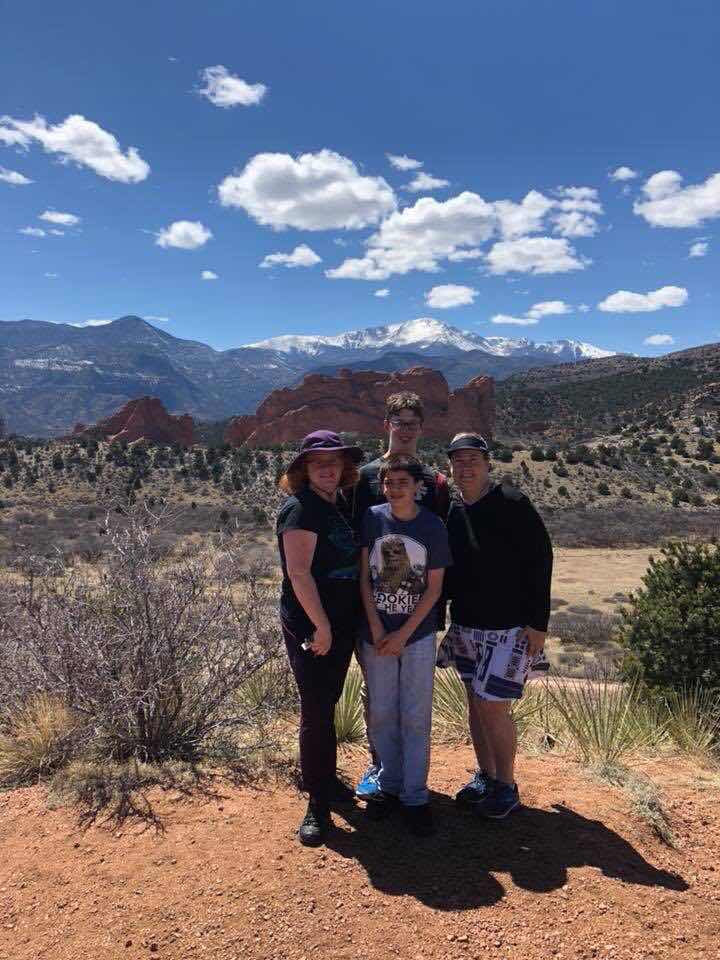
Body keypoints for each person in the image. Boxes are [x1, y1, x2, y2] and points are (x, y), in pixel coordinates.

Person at [441, 433, 552, 819]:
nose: (465, 467)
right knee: (475, 703)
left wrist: (538, 622)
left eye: (473, 459)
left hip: (509, 628)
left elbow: (541, 560)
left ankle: (506, 784)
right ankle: (486, 776)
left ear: (488, 464)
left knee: (492, 706)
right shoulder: (454, 510)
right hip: (466, 625)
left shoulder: (513, 503)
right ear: (450, 467)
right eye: (458, 460)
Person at [352, 391, 450, 799]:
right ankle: (381, 770)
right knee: (377, 698)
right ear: (387, 425)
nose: (406, 430)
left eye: (412, 423)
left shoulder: (435, 483)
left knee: (412, 706)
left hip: (417, 614)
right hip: (374, 612)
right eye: (399, 422)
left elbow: (438, 548)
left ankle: (410, 787)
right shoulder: (364, 478)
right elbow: (356, 544)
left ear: (421, 428)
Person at [276, 430, 364, 846]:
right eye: (318, 462)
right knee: (315, 707)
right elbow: (298, 573)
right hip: (312, 624)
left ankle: (325, 780)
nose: (328, 468)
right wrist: (322, 626)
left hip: (340, 621)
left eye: (334, 461)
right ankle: (316, 802)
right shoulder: (300, 509)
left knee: (326, 702)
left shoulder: (337, 505)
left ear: (344, 467)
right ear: (304, 469)